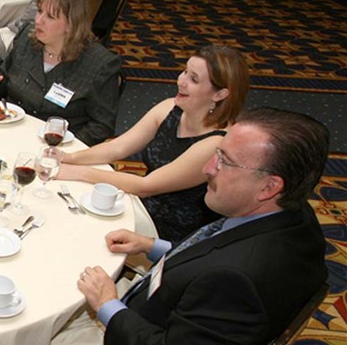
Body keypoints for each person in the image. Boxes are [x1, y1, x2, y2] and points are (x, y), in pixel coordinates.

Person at [39, 107, 328, 345]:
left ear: (270, 186)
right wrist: (153, 246)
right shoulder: (291, 216)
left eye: (225, 161)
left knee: (32, 328)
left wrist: (107, 305)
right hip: (168, 317)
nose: (208, 168)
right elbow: (214, 252)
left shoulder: (238, 278)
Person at [57, 46, 250, 242]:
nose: (181, 81)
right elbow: (119, 147)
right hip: (141, 205)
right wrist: (68, 158)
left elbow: (146, 186)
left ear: (219, 95)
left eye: (194, 79)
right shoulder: (171, 108)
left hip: (167, 232)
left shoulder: (216, 143)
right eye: (184, 71)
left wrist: (77, 172)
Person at [0, 0, 120, 147]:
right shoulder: (26, 38)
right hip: (9, 134)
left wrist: (65, 147)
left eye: (50, 17)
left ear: (72, 24)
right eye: (39, 11)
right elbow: (4, 80)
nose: (38, 20)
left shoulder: (99, 64)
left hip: (60, 149)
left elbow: (102, 126)